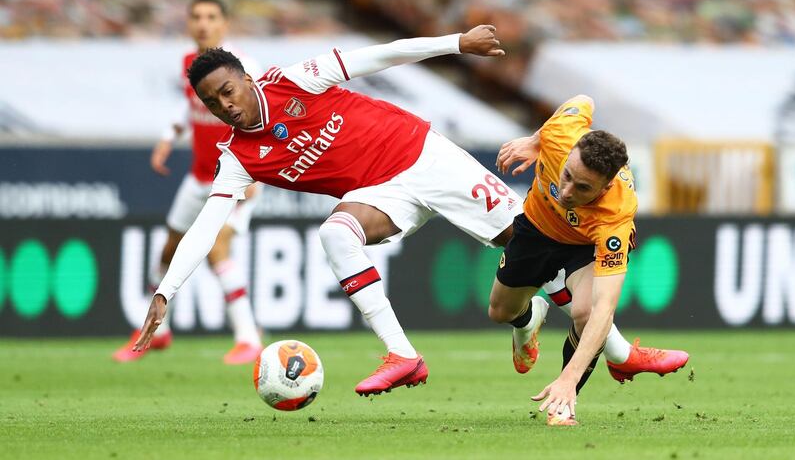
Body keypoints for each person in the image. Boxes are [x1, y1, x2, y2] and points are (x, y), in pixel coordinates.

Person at [131, 25, 684, 396]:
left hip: (425, 157)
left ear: (246, 78)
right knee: (335, 234)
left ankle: (580, 338)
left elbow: (379, 56)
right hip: (381, 193)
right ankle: (403, 355)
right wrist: (165, 293)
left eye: (229, 89)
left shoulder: (295, 80)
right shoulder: (238, 159)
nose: (225, 105)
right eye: (212, 102)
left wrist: (457, 43)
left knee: (528, 247)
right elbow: (206, 226)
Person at [492, 94, 689, 426]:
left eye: (583, 188)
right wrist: (534, 140)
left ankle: (565, 404)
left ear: (606, 185)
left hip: (584, 245)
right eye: (567, 175)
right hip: (537, 226)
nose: (567, 192)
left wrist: (569, 379)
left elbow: (604, 310)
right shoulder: (560, 134)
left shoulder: (616, 213)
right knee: (500, 312)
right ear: (569, 153)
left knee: (585, 314)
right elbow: (583, 99)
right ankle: (529, 320)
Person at [113, 0, 263, 365]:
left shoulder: (243, 67)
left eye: (211, 17)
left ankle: (248, 338)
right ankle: (157, 332)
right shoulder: (189, 64)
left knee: (216, 251)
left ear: (225, 23)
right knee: (168, 251)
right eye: (196, 16)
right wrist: (170, 135)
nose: (203, 23)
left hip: (238, 178)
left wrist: (259, 169)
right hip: (199, 178)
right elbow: (191, 104)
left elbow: (264, 113)